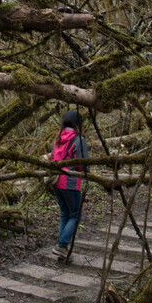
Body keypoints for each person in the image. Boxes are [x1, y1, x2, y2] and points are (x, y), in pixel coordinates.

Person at [50, 109, 88, 260]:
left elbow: (53, 157)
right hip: (70, 182)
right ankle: (61, 245)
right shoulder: (79, 139)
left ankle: (62, 247)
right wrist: (86, 172)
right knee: (76, 215)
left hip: (56, 181)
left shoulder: (58, 138)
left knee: (65, 214)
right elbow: (82, 163)